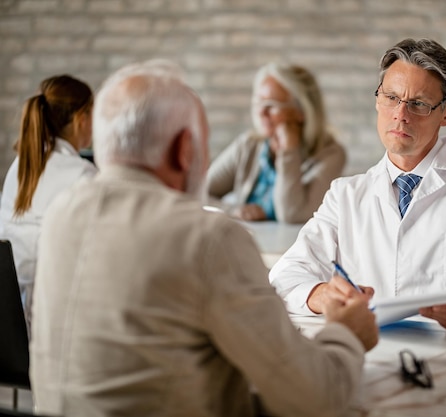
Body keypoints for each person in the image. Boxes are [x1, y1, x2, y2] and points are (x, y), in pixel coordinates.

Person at [29, 60, 378, 417]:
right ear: (185, 149)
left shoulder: (61, 214)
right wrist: (347, 335)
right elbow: (317, 398)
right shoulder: (209, 240)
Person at [269, 38, 446, 335]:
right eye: (391, 97)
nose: (400, 114)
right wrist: (321, 295)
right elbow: (283, 277)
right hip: (373, 361)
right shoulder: (346, 196)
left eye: (418, 104)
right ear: (377, 99)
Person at [0, 74, 97, 329]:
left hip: (11, 319)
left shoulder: (20, 165)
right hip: (49, 320)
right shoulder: (81, 174)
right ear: (81, 119)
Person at [204, 62, 346, 224]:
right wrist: (233, 210)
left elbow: (292, 215)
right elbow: (196, 193)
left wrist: (289, 151)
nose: (261, 113)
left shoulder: (330, 154)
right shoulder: (247, 146)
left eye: (271, 105)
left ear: (301, 112)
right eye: (258, 103)